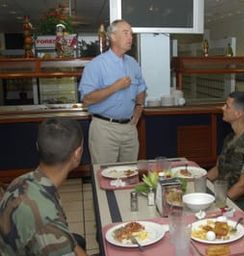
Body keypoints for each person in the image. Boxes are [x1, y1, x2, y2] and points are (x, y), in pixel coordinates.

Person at [0, 118, 87, 256]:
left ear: (37, 146)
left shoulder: (21, 180)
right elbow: (49, 225)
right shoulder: (47, 221)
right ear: (77, 154)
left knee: (78, 241)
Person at [79, 19, 147, 164]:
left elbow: (141, 87)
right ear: (113, 37)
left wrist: (139, 109)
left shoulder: (133, 63)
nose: (130, 37)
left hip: (129, 128)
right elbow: (87, 99)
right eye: (126, 33)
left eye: (131, 34)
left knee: (129, 174)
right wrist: (114, 87)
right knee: (104, 175)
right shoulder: (95, 65)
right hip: (104, 129)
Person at [207, 91, 244, 215]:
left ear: (238, 113)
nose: (222, 108)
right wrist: (199, 181)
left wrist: (218, 205)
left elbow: (243, 185)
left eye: (227, 106)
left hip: (238, 204)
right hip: (221, 196)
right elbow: (218, 169)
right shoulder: (229, 138)